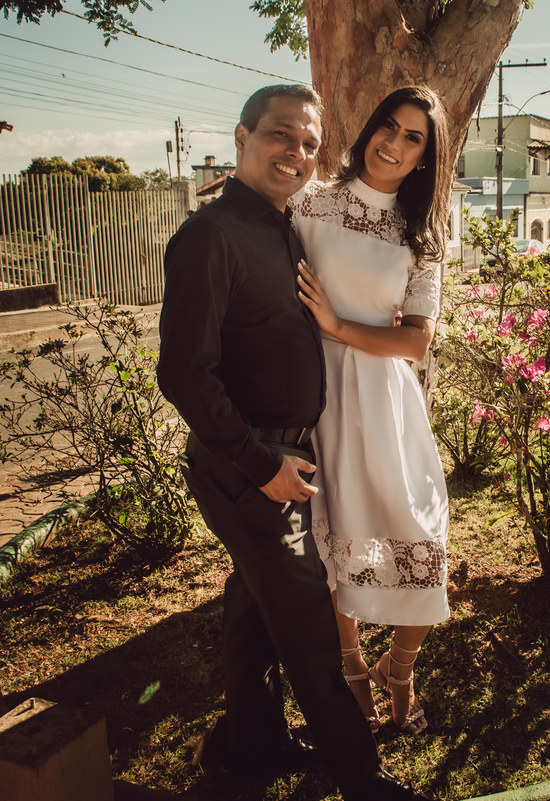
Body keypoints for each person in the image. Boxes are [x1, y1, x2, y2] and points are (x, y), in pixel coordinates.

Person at [157, 84, 428, 801]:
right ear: (242, 136)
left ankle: (248, 744)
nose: (297, 154)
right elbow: (183, 372)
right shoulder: (210, 236)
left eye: (309, 143)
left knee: (251, 603)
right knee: (309, 625)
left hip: (287, 453)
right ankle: (363, 779)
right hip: (248, 464)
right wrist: (260, 463)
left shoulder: (282, 225)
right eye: (281, 135)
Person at [290, 86, 451, 736]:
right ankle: (351, 665)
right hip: (316, 395)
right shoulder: (310, 203)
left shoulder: (422, 234)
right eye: (390, 125)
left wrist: (337, 323)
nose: (395, 143)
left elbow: (416, 339)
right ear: (370, 127)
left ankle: (400, 665)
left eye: (414, 137)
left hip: (387, 400)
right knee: (338, 535)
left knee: (423, 539)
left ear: (425, 157)